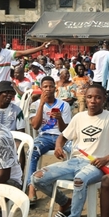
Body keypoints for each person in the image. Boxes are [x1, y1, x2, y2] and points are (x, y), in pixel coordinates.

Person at [31, 84, 109, 217]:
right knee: (37, 178)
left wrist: (107, 157)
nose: (93, 101)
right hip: (75, 161)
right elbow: (63, 136)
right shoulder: (79, 117)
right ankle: (65, 202)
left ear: (104, 100)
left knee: (79, 180)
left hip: (97, 165)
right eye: (89, 97)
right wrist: (58, 146)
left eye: (98, 97)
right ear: (85, 98)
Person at [28, 76, 73, 205]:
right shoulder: (35, 104)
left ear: (55, 88)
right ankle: (31, 187)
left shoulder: (64, 105)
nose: (48, 89)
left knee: (75, 150)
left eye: (51, 86)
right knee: (32, 152)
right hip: (45, 137)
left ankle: (75, 181)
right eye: (45, 87)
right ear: (41, 89)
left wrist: (59, 118)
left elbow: (65, 130)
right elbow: (35, 126)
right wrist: (41, 104)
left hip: (62, 137)